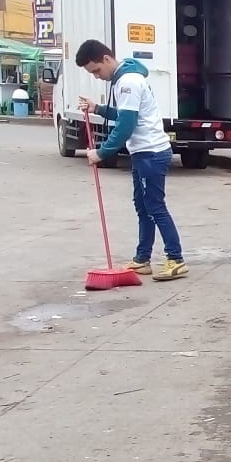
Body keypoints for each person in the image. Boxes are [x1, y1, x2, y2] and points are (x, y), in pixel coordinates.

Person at [75, 39, 187, 282]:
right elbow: (125, 114)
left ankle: (175, 259)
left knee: (155, 207)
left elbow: (126, 124)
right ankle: (142, 259)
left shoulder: (128, 82)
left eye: (96, 71)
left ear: (106, 59)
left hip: (151, 153)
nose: (97, 76)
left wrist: (102, 152)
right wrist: (98, 108)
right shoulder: (125, 78)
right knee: (143, 207)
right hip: (143, 153)